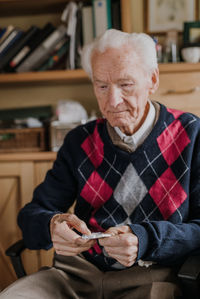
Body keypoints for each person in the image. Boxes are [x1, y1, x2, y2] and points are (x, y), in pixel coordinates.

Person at [1, 28, 200, 299]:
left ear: (152, 80)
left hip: (151, 277)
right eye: (102, 86)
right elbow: (32, 214)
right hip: (76, 275)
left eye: (125, 84)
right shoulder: (78, 141)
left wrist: (144, 239)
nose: (112, 100)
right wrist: (52, 224)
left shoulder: (192, 134)